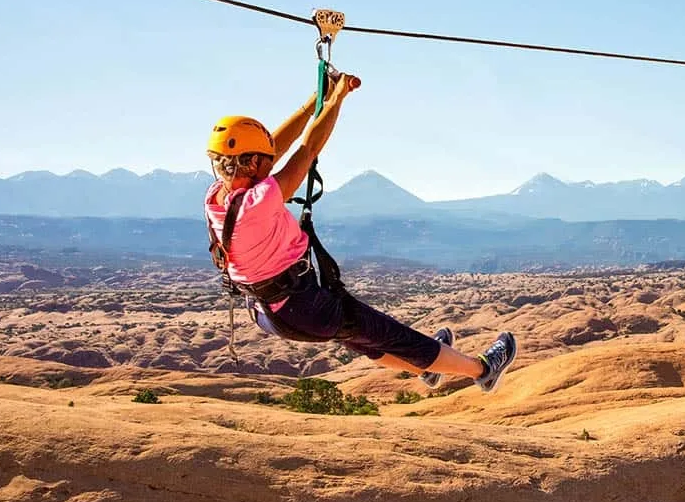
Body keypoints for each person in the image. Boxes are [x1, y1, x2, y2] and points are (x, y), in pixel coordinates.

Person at [203, 71, 516, 392]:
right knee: (391, 334)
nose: (270, 162)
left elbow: (274, 150)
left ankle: (427, 368)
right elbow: (306, 150)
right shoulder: (259, 201)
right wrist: (336, 98)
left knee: (365, 339)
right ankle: (482, 369)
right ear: (252, 162)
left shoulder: (217, 197)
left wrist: (315, 100)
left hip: (267, 311)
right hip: (303, 306)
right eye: (262, 159)